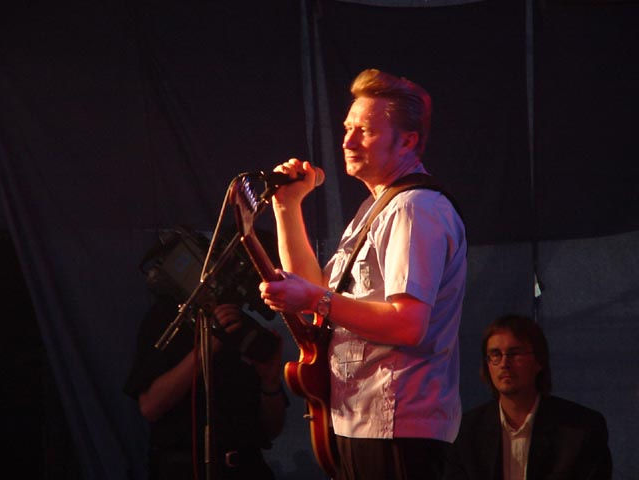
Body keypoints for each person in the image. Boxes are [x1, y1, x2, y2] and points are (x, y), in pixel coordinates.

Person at [259, 68, 467, 479]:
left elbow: (408, 324)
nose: (348, 141)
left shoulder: (414, 208)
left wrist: (314, 298)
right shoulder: (378, 207)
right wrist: (287, 206)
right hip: (364, 418)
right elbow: (318, 296)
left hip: (397, 423)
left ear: (407, 141)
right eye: (347, 128)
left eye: (365, 132)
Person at [124, 231, 287, 480]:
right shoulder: (169, 318)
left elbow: (272, 429)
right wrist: (207, 348)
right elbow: (150, 406)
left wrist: (270, 382)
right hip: (184, 469)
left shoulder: (244, 329)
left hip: (246, 468)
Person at [444, 314, 612, 480]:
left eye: (514, 353)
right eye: (495, 354)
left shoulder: (581, 429)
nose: (504, 364)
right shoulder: (467, 432)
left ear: (539, 361)